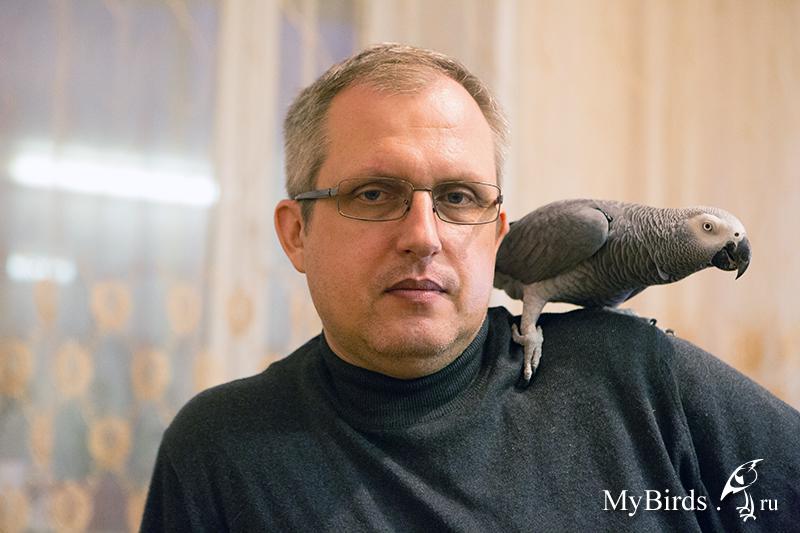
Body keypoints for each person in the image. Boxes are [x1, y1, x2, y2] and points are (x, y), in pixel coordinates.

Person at [141, 44, 800, 532]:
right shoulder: (220, 451)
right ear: (296, 234)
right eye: (373, 194)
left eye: (458, 197)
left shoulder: (648, 381)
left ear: (496, 235)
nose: (423, 236)